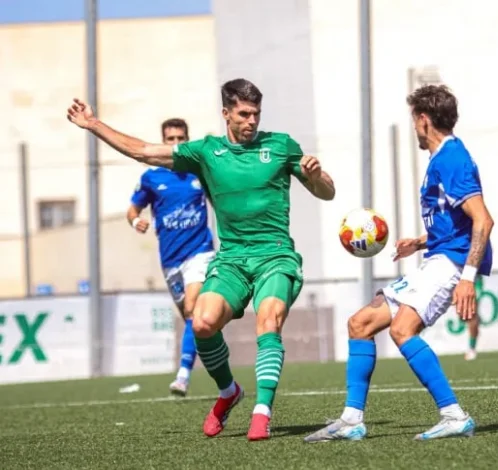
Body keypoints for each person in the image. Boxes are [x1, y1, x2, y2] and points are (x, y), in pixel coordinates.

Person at [66, 78, 336, 441]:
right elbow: (144, 152)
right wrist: (93, 124)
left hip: (275, 256)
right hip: (232, 260)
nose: (252, 121)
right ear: (226, 113)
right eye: (244, 114)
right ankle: (229, 392)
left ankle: (262, 412)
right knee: (202, 323)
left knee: (268, 321)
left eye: (256, 113)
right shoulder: (207, 152)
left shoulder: (281, 145)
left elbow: (327, 192)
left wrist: (316, 177)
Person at [304, 84, 494, 442]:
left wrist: (467, 278)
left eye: (414, 121)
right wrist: (420, 241)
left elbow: (483, 220)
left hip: (450, 265)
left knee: (402, 330)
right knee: (360, 323)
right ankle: (351, 420)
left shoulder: (452, 159)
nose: (414, 129)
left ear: (423, 120)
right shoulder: (442, 158)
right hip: (437, 258)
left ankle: (454, 415)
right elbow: (456, 221)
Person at [126, 118, 215, 397]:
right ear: (163, 142)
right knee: (193, 320)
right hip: (170, 259)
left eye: (180, 138)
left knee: (192, 308)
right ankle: (210, 355)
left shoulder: (199, 171)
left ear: (187, 140)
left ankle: (183, 375)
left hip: (200, 251)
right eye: (170, 139)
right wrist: (135, 221)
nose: (176, 143)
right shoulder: (151, 177)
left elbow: (219, 201)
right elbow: (132, 210)